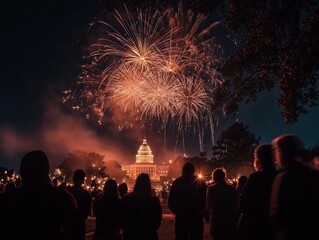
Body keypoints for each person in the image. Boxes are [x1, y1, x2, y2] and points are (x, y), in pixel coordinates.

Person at [0, 150, 78, 240]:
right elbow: (72, 230)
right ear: (46, 171)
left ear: (22, 172)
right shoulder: (64, 198)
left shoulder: (5, 200)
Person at [270, 134, 319, 240]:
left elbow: (277, 213)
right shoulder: (312, 173)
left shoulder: (284, 177)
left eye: (276, 150)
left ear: (282, 151)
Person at [239, 144, 277, 240]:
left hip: (257, 228)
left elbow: (243, 203)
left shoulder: (255, 177)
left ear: (259, 158)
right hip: (275, 228)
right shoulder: (280, 175)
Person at [168, 162, 207, 240]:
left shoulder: (177, 182)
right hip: (196, 217)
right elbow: (205, 200)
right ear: (193, 171)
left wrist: (178, 212)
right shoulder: (201, 182)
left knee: (181, 237)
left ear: (183, 171)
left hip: (182, 217)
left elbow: (171, 201)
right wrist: (201, 212)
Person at [122, 173, 162, 240]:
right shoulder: (153, 201)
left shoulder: (127, 199)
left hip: (131, 235)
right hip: (149, 235)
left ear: (136, 184)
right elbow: (157, 221)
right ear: (149, 185)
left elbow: (122, 218)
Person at [206, 168, 238, 240]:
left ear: (214, 177)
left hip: (216, 220)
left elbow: (208, 206)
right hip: (229, 221)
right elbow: (236, 206)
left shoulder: (211, 189)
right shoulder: (232, 189)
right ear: (224, 176)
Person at [68, 169, 92, 240]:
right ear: (83, 180)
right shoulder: (86, 194)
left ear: (73, 179)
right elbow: (86, 212)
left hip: (69, 225)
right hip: (79, 225)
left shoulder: (67, 192)